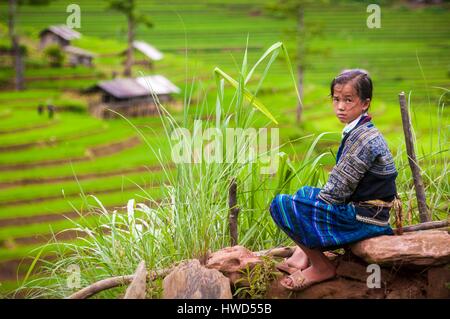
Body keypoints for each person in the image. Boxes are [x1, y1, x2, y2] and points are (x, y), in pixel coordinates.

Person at [269, 69, 399, 291]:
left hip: (366, 219)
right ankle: (303, 256)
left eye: (348, 100)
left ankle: (321, 266)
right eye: (336, 99)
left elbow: (336, 193)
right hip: (367, 210)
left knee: (281, 204)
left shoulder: (363, 140)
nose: (340, 106)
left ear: (365, 103)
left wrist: (311, 205)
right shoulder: (360, 130)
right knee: (303, 194)